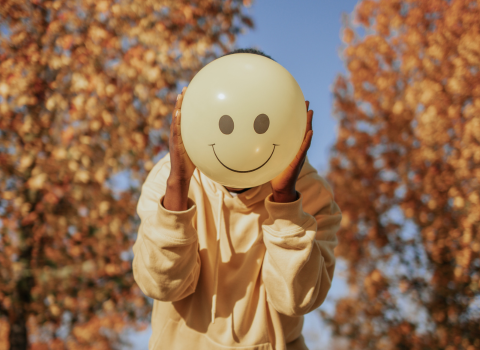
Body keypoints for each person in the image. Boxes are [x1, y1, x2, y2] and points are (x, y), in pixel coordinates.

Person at [132, 48, 342, 350]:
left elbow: (298, 300)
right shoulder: (169, 180)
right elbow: (161, 285)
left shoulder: (310, 194)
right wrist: (177, 187)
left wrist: (285, 202)